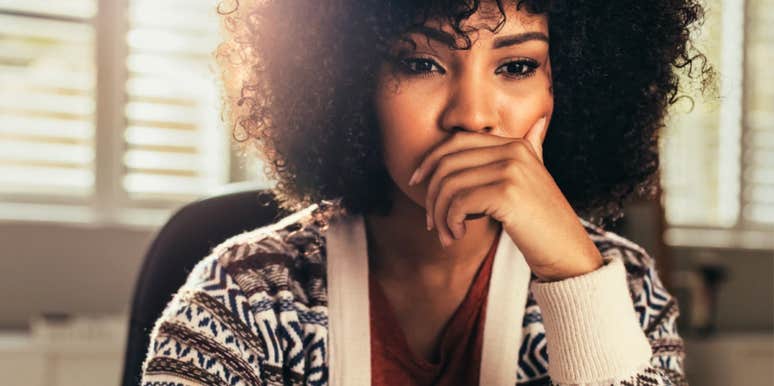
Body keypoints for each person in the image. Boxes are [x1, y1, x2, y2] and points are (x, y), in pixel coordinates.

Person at [141, 0, 713, 384]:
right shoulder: (244, 294)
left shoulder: (621, 282)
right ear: (349, 82)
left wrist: (571, 272)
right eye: (421, 63)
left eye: (516, 66)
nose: (472, 115)